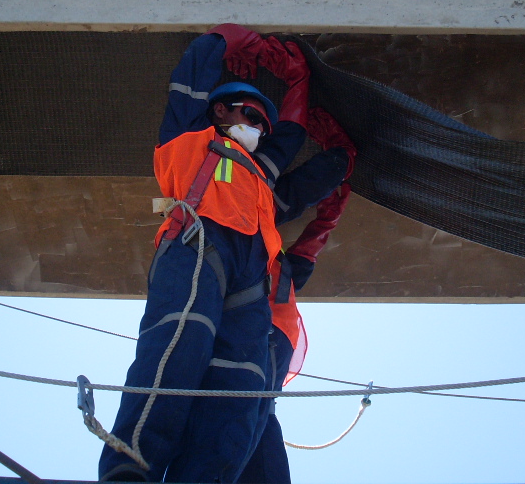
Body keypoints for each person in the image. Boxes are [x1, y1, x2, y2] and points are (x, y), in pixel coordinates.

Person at [99, 24, 338, 483]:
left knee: (241, 386)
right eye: (250, 115)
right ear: (220, 110)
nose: (259, 128)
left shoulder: (261, 174)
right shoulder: (188, 134)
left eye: (263, 124)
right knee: (178, 344)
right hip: (197, 242)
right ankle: (130, 469)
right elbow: (193, 70)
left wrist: (300, 81)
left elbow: (291, 135)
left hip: (252, 274)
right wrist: (233, 41)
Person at [238, 108, 357, 484]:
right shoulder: (274, 275)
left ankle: (340, 156)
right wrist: (327, 218)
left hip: (258, 327)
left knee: (241, 407)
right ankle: (342, 155)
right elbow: (300, 262)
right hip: (265, 329)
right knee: (249, 407)